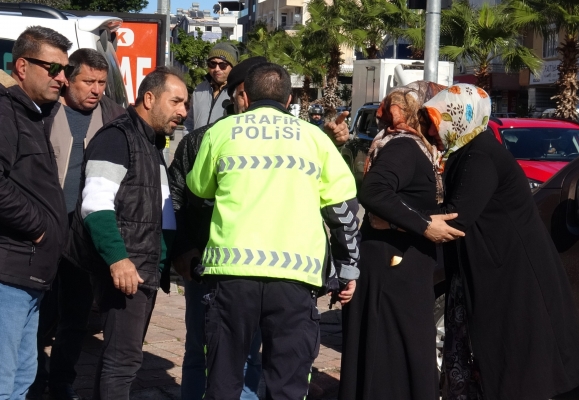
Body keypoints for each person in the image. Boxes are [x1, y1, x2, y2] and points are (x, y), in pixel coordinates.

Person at [187, 63, 360, 400]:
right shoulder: (314, 138)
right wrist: (348, 268)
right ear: (290, 98)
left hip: (232, 275)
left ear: (244, 96)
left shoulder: (221, 132)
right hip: (296, 279)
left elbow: (199, 189)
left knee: (222, 382)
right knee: (288, 385)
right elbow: (343, 210)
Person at [422, 84, 579, 400]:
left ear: (457, 119)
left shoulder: (480, 154)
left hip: (514, 276)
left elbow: (458, 215)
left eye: (435, 120)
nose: (431, 130)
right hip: (498, 270)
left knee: (515, 370)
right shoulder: (469, 150)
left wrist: (400, 216)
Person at [65, 67, 187, 400]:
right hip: (127, 271)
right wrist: (119, 259)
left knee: (119, 360)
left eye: (186, 104)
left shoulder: (149, 141)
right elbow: (95, 204)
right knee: (124, 362)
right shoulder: (118, 138)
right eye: (176, 102)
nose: (183, 112)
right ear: (149, 98)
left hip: (141, 270)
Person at [338, 81, 465, 400]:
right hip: (392, 269)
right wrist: (423, 226)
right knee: (394, 363)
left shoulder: (409, 145)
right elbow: (374, 193)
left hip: (397, 267)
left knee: (396, 362)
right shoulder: (405, 146)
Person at [26, 48, 126, 400]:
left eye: (101, 82)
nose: (96, 89)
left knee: (76, 313)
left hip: (86, 234)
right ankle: (33, 375)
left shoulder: (114, 116)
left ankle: (62, 381)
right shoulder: (44, 112)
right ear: (68, 78)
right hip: (44, 228)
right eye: (88, 81)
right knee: (36, 312)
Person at [169, 55, 267, 400]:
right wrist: (183, 250)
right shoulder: (199, 140)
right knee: (200, 350)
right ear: (239, 95)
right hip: (206, 265)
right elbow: (176, 197)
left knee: (249, 358)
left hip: (260, 269)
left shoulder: (283, 143)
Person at [0, 26, 71, 400]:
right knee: (5, 381)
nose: (62, 78)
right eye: (53, 68)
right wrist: (39, 227)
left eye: (65, 70)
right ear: (23, 66)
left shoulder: (32, 113)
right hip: (9, 272)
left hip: (30, 274)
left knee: (22, 378)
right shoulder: (5, 110)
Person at [184, 42, 238, 132]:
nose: (217, 69)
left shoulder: (238, 92)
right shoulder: (199, 90)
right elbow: (189, 122)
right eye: (212, 64)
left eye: (222, 65)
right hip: (198, 145)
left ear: (232, 67)